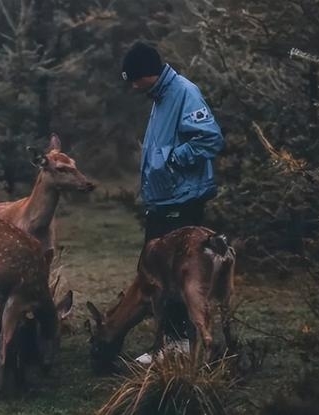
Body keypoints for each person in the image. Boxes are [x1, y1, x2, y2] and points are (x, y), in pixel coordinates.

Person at [121, 41, 225, 357]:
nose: (133, 86)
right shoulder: (161, 96)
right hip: (165, 199)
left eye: (134, 79)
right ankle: (170, 342)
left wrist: (171, 160)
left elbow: (211, 139)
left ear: (146, 74)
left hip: (181, 201)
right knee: (160, 274)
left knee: (173, 275)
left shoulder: (184, 92)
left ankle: (177, 346)